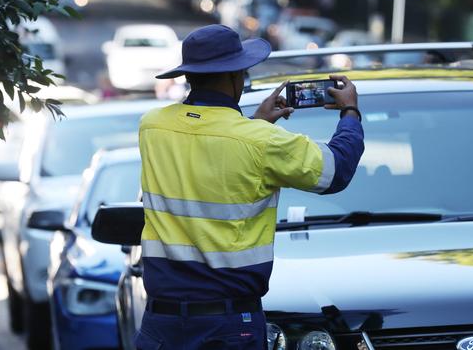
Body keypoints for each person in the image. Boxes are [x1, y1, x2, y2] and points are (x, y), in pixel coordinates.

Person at [137, 24, 364, 350]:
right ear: (236, 77)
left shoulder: (152, 127)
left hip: (161, 325)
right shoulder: (259, 142)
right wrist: (350, 111)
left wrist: (254, 124)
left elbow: (205, 146)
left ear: (190, 75)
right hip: (228, 325)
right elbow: (336, 171)